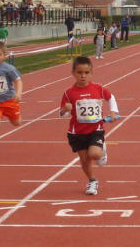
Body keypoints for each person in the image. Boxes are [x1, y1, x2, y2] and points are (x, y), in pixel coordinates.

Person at [59, 56, 119, 195]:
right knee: (84, 159)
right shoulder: (68, 93)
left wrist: (114, 112)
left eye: (86, 73)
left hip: (95, 130)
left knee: (94, 154)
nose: (83, 76)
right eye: (79, 72)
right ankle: (92, 181)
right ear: (73, 73)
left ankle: (102, 149)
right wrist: (65, 109)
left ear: (91, 73)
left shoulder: (98, 88)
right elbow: (62, 115)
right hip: (77, 132)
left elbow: (111, 97)